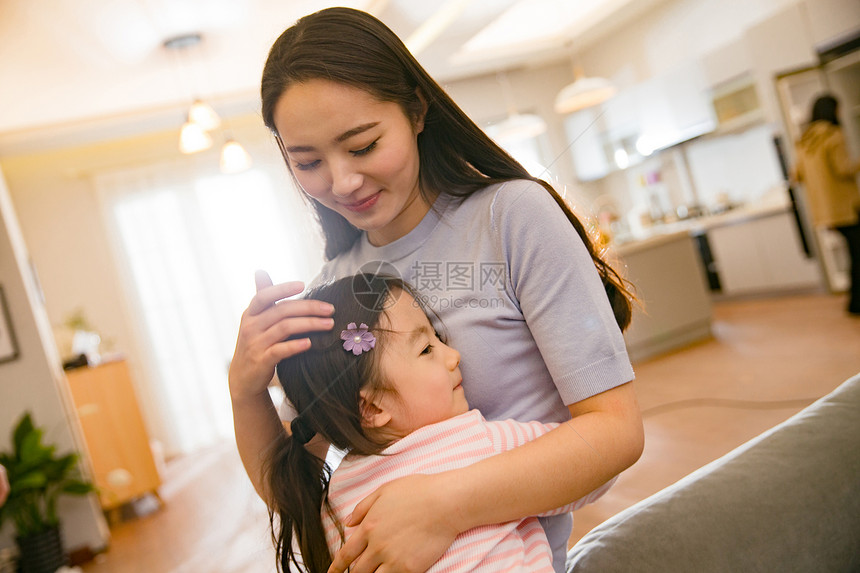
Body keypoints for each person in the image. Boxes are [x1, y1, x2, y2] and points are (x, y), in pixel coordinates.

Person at [229, 7, 644, 572]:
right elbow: (296, 495)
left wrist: (444, 505)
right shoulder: (335, 292)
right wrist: (244, 391)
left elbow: (616, 434)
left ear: (417, 110)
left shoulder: (512, 216)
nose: (342, 182)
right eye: (308, 161)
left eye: (362, 145)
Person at [266, 274, 614, 573]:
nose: (453, 355)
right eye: (426, 350)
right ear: (372, 407)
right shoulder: (474, 440)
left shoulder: (334, 503)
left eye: (438, 338)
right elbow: (594, 470)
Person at [794, 94, 860, 315]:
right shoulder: (833, 135)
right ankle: (855, 303)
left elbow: (796, 175)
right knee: (857, 254)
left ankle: (855, 302)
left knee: (855, 253)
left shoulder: (804, 140)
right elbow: (843, 168)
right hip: (847, 207)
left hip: (826, 212)